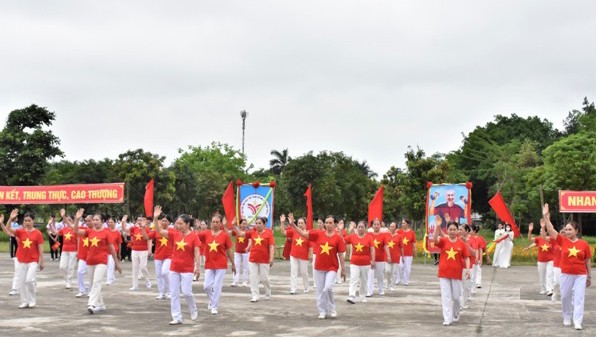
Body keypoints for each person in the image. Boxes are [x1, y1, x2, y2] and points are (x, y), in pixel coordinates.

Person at [543, 204, 592, 330]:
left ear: (576, 231)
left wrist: (589, 276)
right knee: (565, 296)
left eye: (570, 229)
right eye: (566, 230)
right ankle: (566, 317)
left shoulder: (584, 244)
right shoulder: (562, 241)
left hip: (580, 275)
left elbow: (587, 260)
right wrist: (546, 217)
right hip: (565, 273)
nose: (567, 232)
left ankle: (577, 321)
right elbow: (552, 230)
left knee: (579, 298)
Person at [289, 215, 346, 319]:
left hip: (332, 267)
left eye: (330, 223)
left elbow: (341, 255)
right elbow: (304, 233)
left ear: (335, 224)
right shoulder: (318, 234)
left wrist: (343, 269)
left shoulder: (338, 237)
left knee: (328, 288)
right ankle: (322, 311)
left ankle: (332, 309)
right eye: (327, 223)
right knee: (320, 290)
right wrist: (293, 225)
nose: (328, 225)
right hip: (319, 267)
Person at [154, 210, 201, 325]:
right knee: (174, 293)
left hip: (187, 269)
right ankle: (177, 317)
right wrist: (155, 218)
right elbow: (159, 230)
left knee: (186, 292)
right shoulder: (174, 234)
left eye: (180, 224)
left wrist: (198, 267)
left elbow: (197, 252)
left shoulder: (194, 237)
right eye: (177, 223)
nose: (178, 226)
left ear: (187, 224)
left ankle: (193, 308)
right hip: (174, 268)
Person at [72, 209, 121, 314]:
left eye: (97, 220)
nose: (94, 222)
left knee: (97, 282)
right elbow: (76, 231)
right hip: (90, 261)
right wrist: (76, 219)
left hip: (102, 261)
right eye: (93, 220)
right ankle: (101, 305)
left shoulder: (106, 233)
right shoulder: (89, 232)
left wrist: (117, 263)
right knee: (92, 283)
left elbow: (112, 249)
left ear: (102, 221)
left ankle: (92, 303)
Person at [1, 210, 45, 308]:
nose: (27, 223)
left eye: (29, 220)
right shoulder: (20, 232)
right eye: (25, 221)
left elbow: (40, 248)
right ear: (23, 222)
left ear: (33, 221)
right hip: (21, 260)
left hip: (33, 261)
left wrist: (42, 261)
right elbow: (8, 228)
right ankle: (24, 301)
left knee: (29, 280)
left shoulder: (38, 233)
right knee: (22, 281)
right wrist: (10, 218)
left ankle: (32, 299)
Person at [195, 213, 236, 315]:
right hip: (209, 263)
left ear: (220, 224)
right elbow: (194, 236)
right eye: (213, 222)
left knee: (217, 285)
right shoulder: (206, 234)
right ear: (210, 223)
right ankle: (213, 300)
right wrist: (196, 226)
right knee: (206, 286)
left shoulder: (224, 235)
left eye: (217, 222)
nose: (215, 224)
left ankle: (214, 306)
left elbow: (230, 250)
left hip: (221, 263)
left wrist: (233, 263)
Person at [433, 221, 471, 326]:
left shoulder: (461, 243)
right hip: (443, 273)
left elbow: (467, 257)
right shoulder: (444, 240)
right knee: (446, 297)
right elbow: (435, 239)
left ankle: (455, 314)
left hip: (456, 274)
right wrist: (438, 226)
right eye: (450, 229)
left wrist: (467, 269)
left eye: (454, 229)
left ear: (457, 230)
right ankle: (447, 318)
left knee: (456, 297)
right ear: (447, 230)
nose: (452, 231)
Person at [232, 217, 275, 302]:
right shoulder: (252, 233)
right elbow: (240, 234)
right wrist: (233, 225)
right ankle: (255, 295)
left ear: (264, 224)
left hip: (264, 259)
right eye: (257, 223)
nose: (258, 225)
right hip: (253, 258)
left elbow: (271, 246)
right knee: (253, 277)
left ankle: (268, 292)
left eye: (260, 223)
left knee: (264, 278)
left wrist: (271, 258)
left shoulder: (268, 234)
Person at [143, 211, 173, 300]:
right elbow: (146, 238)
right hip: (158, 255)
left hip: (169, 255)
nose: (164, 222)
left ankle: (170, 291)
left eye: (166, 221)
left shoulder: (172, 231)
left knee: (165, 272)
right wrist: (143, 228)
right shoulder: (157, 231)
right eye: (162, 220)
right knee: (159, 275)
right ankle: (161, 293)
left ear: (169, 222)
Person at [344, 221, 374, 303]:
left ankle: (363, 295)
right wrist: (344, 231)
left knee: (364, 280)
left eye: (362, 227)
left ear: (365, 228)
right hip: (354, 262)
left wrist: (373, 261)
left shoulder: (369, 238)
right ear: (357, 228)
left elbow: (372, 250)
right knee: (354, 279)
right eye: (359, 227)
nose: (360, 228)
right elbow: (342, 240)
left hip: (366, 263)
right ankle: (352, 295)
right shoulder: (352, 237)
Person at [281, 213, 311, 294]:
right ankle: (293, 289)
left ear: (305, 224)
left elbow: (310, 246)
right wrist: (282, 222)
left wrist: (310, 255)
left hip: (303, 256)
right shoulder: (294, 231)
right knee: (293, 272)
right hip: (293, 255)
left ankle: (306, 288)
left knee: (304, 273)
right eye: (299, 223)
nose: (300, 224)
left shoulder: (308, 234)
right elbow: (283, 232)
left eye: (302, 223)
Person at [524, 220, 554, 296]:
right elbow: (530, 239)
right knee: (542, 275)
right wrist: (530, 231)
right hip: (541, 260)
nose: (541, 232)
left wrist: (543, 226)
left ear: (546, 232)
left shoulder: (551, 239)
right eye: (540, 231)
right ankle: (543, 289)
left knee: (549, 275)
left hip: (550, 260)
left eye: (542, 230)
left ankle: (549, 289)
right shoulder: (539, 239)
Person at [123, 215, 152, 290]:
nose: (140, 221)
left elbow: (149, 240)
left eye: (142, 220)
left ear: (145, 221)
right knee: (135, 268)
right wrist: (123, 222)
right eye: (138, 220)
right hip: (135, 250)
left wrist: (149, 250)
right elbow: (125, 230)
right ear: (136, 221)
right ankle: (135, 285)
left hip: (144, 250)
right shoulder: (134, 228)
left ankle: (147, 280)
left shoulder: (147, 229)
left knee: (143, 267)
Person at [51, 209, 78, 289]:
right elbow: (55, 233)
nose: (67, 221)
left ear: (73, 221)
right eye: (67, 220)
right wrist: (51, 225)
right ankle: (67, 279)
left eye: (70, 220)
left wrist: (79, 251)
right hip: (65, 250)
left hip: (73, 250)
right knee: (62, 266)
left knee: (70, 266)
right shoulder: (64, 229)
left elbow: (78, 241)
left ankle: (69, 281)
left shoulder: (76, 229)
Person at [366, 219, 390, 296]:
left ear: (380, 226)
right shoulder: (368, 234)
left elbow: (386, 246)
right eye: (374, 224)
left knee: (380, 276)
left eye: (378, 224)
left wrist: (388, 256)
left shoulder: (383, 235)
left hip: (380, 259)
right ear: (372, 226)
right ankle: (369, 291)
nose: (376, 226)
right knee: (370, 275)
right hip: (370, 259)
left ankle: (381, 289)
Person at [229, 218, 250, 287]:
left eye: (245, 224)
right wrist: (227, 226)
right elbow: (230, 234)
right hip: (237, 251)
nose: (244, 225)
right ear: (240, 224)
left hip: (246, 252)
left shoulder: (248, 232)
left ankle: (244, 281)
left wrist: (248, 247)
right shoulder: (236, 231)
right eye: (243, 224)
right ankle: (235, 281)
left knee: (245, 267)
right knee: (236, 266)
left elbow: (250, 241)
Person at [398, 218, 417, 285]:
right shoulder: (399, 232)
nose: (402, 224)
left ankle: (405, 280)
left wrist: (415, 250)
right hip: (400, 253)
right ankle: (398, 279)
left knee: (407, 268)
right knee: (400, 266)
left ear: (407, 224)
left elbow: (414, 242)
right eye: (402, 223)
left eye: (404, 223)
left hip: (408, 253)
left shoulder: (412, 232)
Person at [105, 217, 122, 285]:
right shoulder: (105, 230)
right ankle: (112, 277)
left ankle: (109, 280)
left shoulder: (117, 232)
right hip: (106, 251)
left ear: (115, 223)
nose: (110, 223)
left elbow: (119, 243)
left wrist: (119, 253)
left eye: (112, 222)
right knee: (106, 266)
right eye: (109, 222)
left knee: (111, 266)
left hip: (114, 251)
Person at [385, 221, 402, 291]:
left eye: (393, 227)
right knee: (387, 271)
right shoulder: (386, 235)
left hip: (396, 256)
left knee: (394, 272)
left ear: (396, 228)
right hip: (387, 256)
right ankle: (388, 283)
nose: (391, 228)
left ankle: (392, 285)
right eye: (391, 226)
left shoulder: (399, 236)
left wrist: (403, 257)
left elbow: (401, 247)